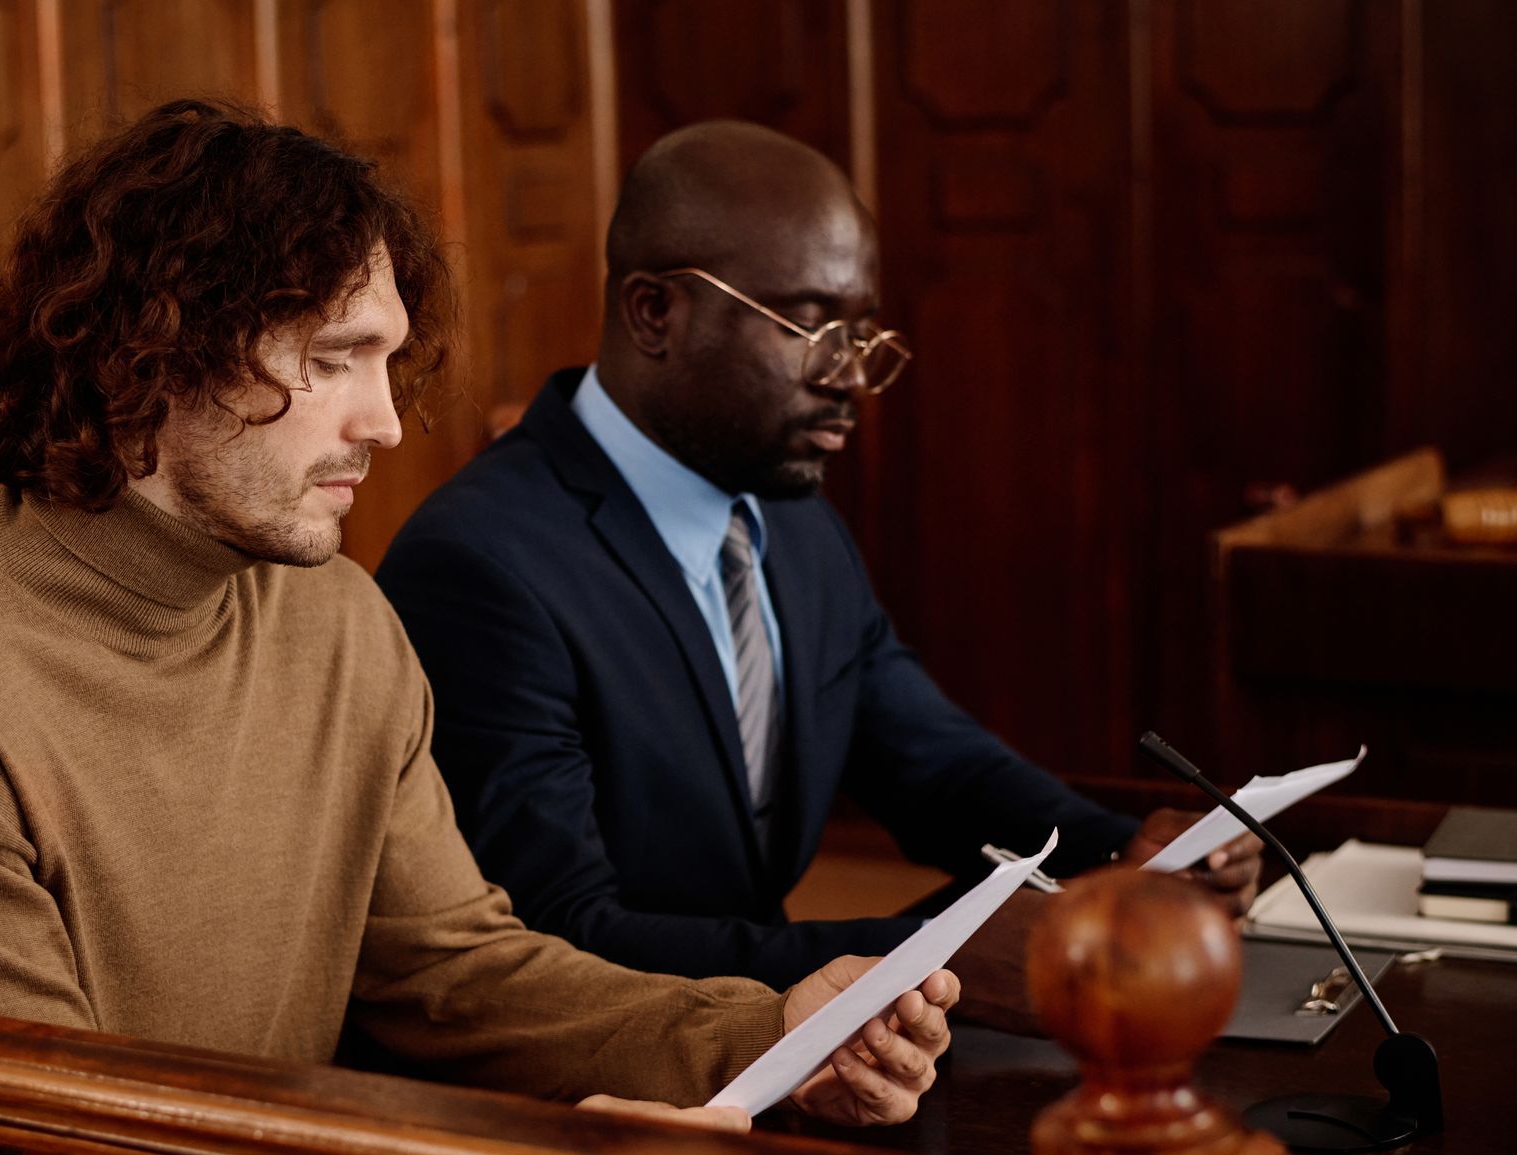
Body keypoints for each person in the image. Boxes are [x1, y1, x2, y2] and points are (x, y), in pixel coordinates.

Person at [0, 103, 957, 1155]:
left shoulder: (336, 616)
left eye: (385, 359)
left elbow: (457, 974)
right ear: (148, 357)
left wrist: (774, 1027)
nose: (384, 421)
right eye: (333, 361)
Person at [376, 121, 1258, 1018]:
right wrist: (911, 956)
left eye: (863, 333)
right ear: (655, 314)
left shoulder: (791, 518)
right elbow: (560, 939)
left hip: (774, 1044)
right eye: (808, 327)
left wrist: (1125, 858)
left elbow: (929, 765)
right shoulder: (480, 569)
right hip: (609, 1085)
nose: (850, 376)